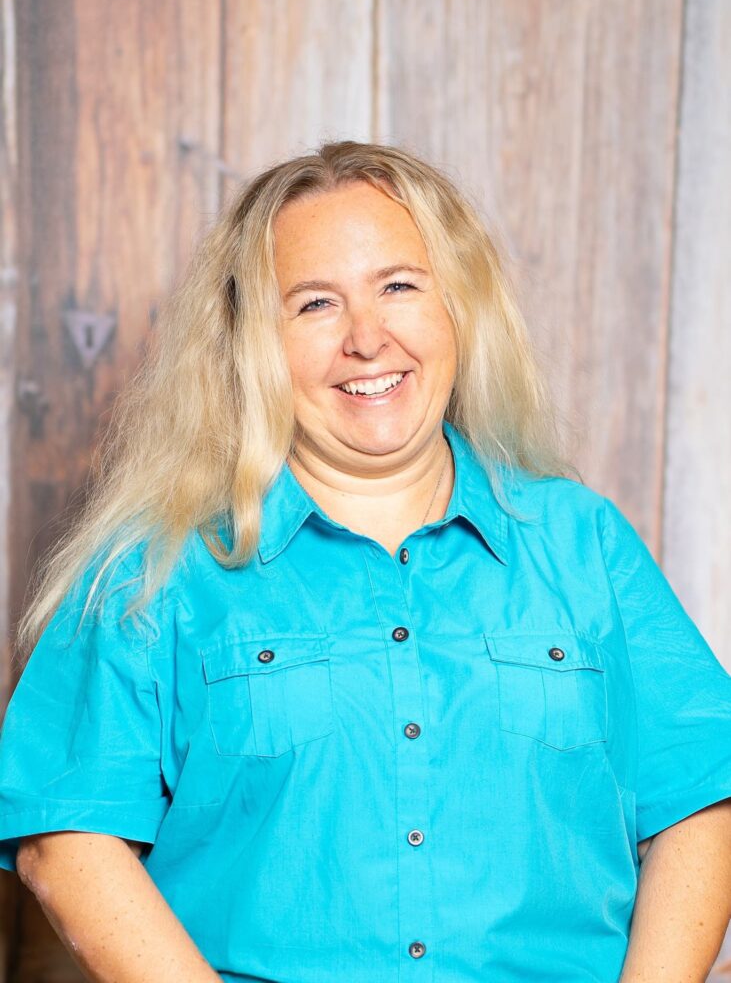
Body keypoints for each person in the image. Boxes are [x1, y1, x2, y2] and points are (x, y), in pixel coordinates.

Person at [0, 140, 729, 983]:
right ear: (250, 342)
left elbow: (700, 798)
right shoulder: (152, 567)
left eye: (399, 287)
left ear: (457, 306)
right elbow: (68, 841)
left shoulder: (583, 541)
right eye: (314, 304)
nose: (366, 339)